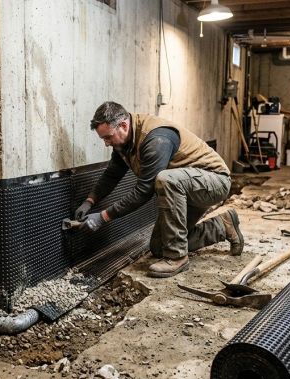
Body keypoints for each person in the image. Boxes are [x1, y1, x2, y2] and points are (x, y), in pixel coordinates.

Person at [75, 101, 243, 278]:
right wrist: (89, 201)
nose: (106, 144)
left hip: (214, 182)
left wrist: (103, 217)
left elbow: (144, 191)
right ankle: (222, 226)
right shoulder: (123, 143)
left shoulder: (156, 139)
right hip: (187, 188)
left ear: (123, 125)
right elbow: (112, 175)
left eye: (108, 137)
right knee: (158, 246)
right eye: (103, 139)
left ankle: (177, 257)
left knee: (165, 179)